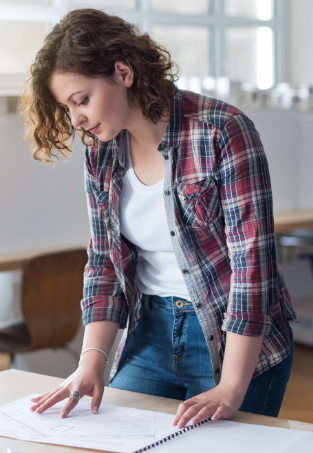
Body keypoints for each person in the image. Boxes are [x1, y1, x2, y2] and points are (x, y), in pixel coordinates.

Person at [18, 8, 297, 427]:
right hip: (150, 330)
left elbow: (252, 271)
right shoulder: (102, 153)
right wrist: (91, 361)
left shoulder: (222, 130)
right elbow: (105, 264)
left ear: (123, 72)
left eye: (81, 100)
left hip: (232, 339)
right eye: (68, 107)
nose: (76, 119)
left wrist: (232, 386)